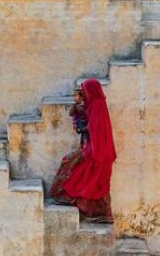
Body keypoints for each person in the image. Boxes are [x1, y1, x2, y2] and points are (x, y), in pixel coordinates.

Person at [50, 78, 116, 223]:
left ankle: (93, 212)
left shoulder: (97, 105)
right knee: (81, 171)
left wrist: (84, 133)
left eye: (85, 90)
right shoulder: (94, 104)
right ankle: (94, 213)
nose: (84, 93)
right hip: (95, 148)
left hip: (97, 150)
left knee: (75, 167)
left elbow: (96, 129)